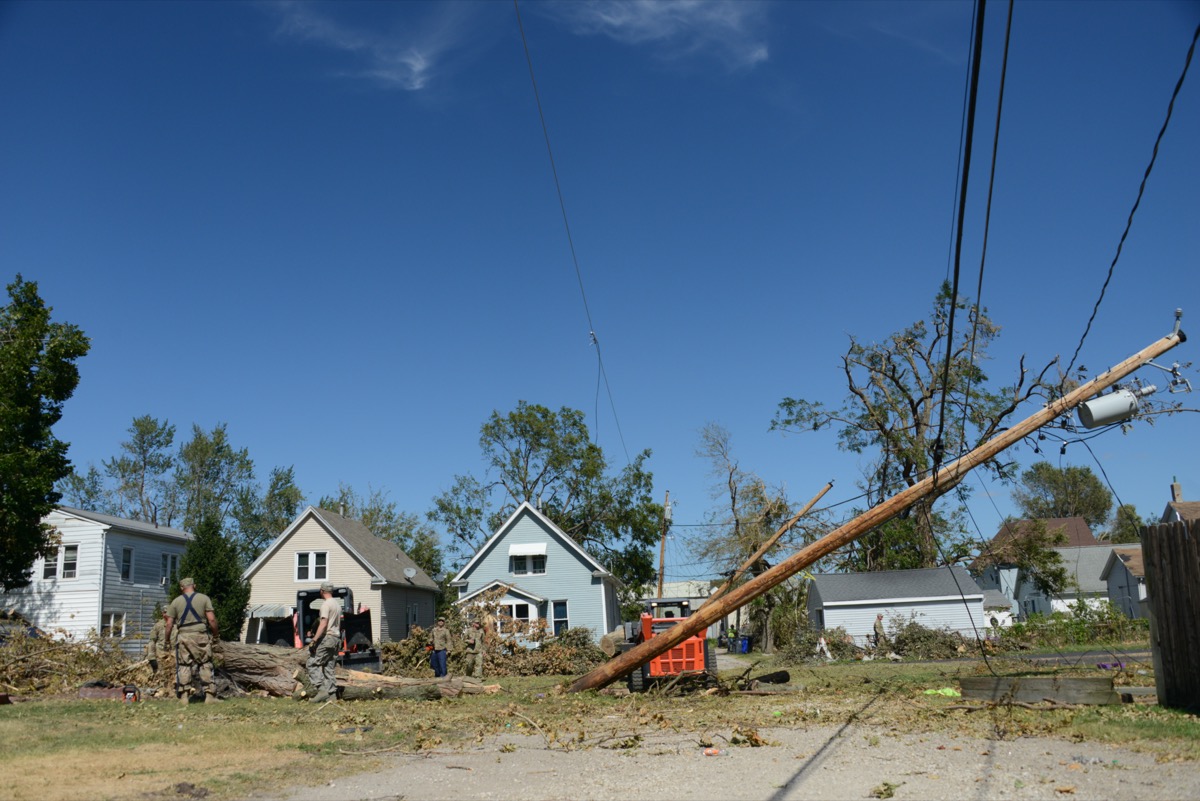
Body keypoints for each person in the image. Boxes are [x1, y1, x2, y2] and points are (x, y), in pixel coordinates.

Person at [163, 577, 220, 705]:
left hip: (183, 636)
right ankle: (210, 696)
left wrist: (167, 641)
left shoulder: (175, 602)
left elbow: (169, 624)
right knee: (205, 663)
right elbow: (211, 620)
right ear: (194, 585)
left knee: (184, 665)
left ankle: (184, 697)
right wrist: (216, 635)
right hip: (200, 635)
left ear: (181, 588)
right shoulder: (204, 598)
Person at [305, 582, 342, 703]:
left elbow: (324, 623)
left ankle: (322, 691)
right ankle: (332, 696)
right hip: (336, 639)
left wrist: (314, 639)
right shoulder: (337, 604)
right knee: (328, 667)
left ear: (322, 591)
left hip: (328, 638)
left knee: (312, 664)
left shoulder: (326, 605)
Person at [145, 607, 175, 693]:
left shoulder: (177, 625)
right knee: (160, 676)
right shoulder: (158, 626)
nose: (167, 615)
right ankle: (159, 690)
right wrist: (151, 657)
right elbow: (152, 642)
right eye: (165, 613)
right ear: (163, 614)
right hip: (161, 655)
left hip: (174, 656)